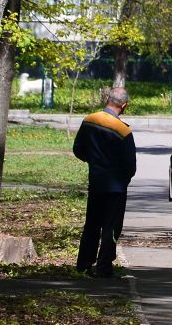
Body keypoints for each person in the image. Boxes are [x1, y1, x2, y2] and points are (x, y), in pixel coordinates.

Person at [73, 87, 136, 278]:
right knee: (111, 227)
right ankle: (104, 268)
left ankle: (84, 264)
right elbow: (130, 165)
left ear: (108, 99)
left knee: (91, 224)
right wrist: (123, 179)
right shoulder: (123, 131)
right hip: (116, 188)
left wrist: (93, 162)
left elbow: (78, 149)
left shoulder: (89, 120)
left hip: (96, 182)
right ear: (124, 105)